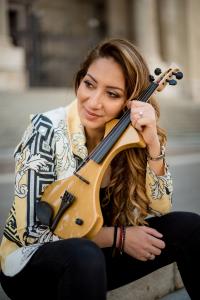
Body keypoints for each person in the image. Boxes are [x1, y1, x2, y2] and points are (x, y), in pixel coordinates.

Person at [0, 38, 200, 300]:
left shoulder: (131, 136)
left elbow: (161, 208)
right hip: (32, 266)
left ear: (130, 101)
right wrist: (119, 238)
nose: (94, 102)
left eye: (112, 94)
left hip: (95, 258)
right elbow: (32, 233)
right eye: (89, 84)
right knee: (85, 254)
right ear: (80, 79)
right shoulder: (45, 129)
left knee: (190, 227)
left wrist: (152, 142)